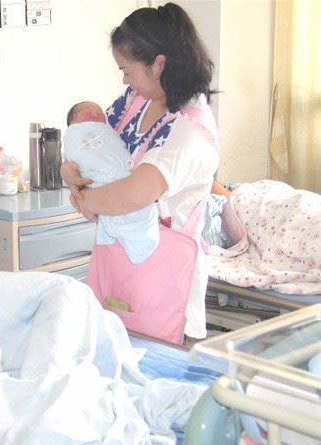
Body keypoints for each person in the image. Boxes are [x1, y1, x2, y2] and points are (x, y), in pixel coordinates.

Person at [61, 3, 219, 340]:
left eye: (127, 70)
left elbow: (136, 193)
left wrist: (85, 199)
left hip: (162, 278)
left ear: (158, 64)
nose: (124, 79)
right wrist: (69, 172)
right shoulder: (135, 101)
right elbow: (92, 144)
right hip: (117, 260)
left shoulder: (190, 129)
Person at [64, 101, 159, 264]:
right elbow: (80, 150)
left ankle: (137, 239)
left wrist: (87, 200)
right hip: (105, 195)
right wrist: (66, 169)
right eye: (87, 112)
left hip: (126, 195)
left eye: (99, 112)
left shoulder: (184, 122)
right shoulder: (126, 103)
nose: (95, 115)